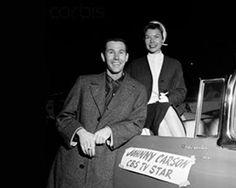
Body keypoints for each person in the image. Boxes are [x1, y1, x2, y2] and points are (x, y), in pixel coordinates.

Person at [46, 37, 147, 188]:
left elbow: (136, 124)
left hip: (106, 169)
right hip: (72, 166)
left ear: (126, 57)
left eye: (121, 52)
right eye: (111, 52)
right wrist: (80, 132)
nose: (116, 57)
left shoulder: (138, 90)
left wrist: (111, 131)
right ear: (103, 56)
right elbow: (63, 117)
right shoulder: (84, 82)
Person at [125, 20, 186, 136]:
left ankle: (178, 149)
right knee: (164, 109)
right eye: (148, 37)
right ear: (144, 40)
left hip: (166, 108)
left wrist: (169, 99)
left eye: (156, 37)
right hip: (145, 111)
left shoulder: (174, 64)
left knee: (163, 118)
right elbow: (126, 93)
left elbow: (181, 91)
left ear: (163, 39)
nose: (152, 41)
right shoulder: (134, 65)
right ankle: (183, 148)